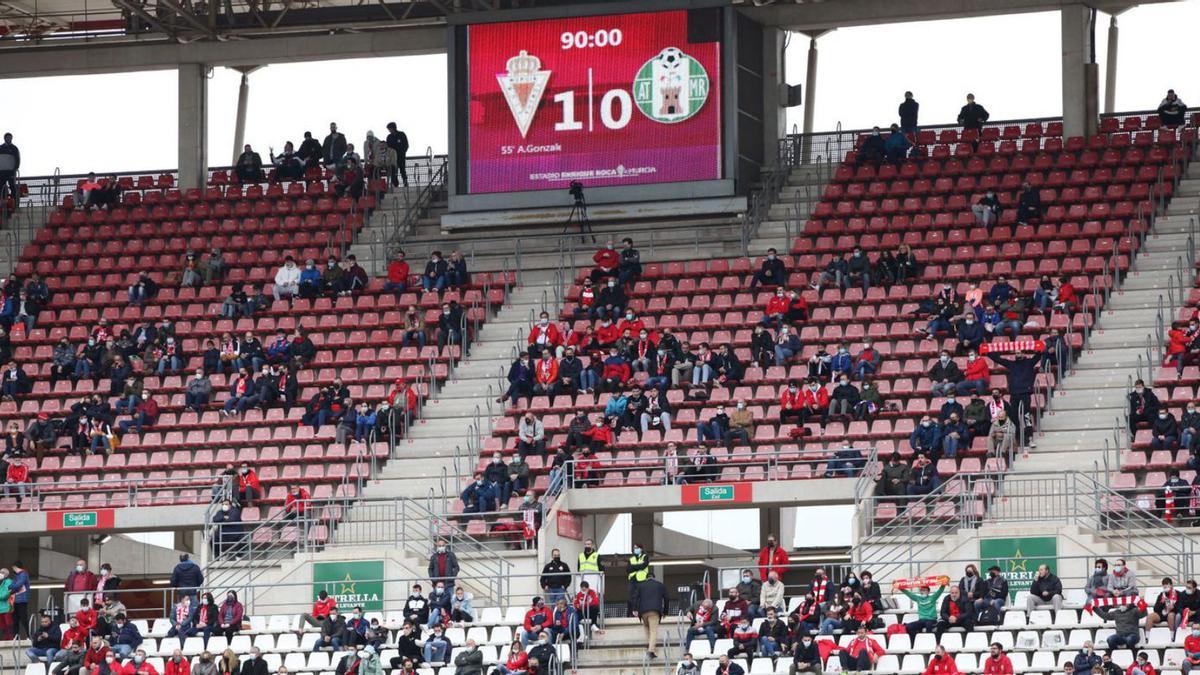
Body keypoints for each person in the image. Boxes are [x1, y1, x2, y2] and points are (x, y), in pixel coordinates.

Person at [630, 571, 667, 660]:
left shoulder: (641, 585)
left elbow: (635, 598)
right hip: (654, 611)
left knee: (647, 629)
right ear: (654, 577)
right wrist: (665, 611)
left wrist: (634, 609)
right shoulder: (660, 585)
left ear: (646, 578)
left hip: (643, 612)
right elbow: (667, 598)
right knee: (653, 631)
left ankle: (649, 646)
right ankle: (650, 651)